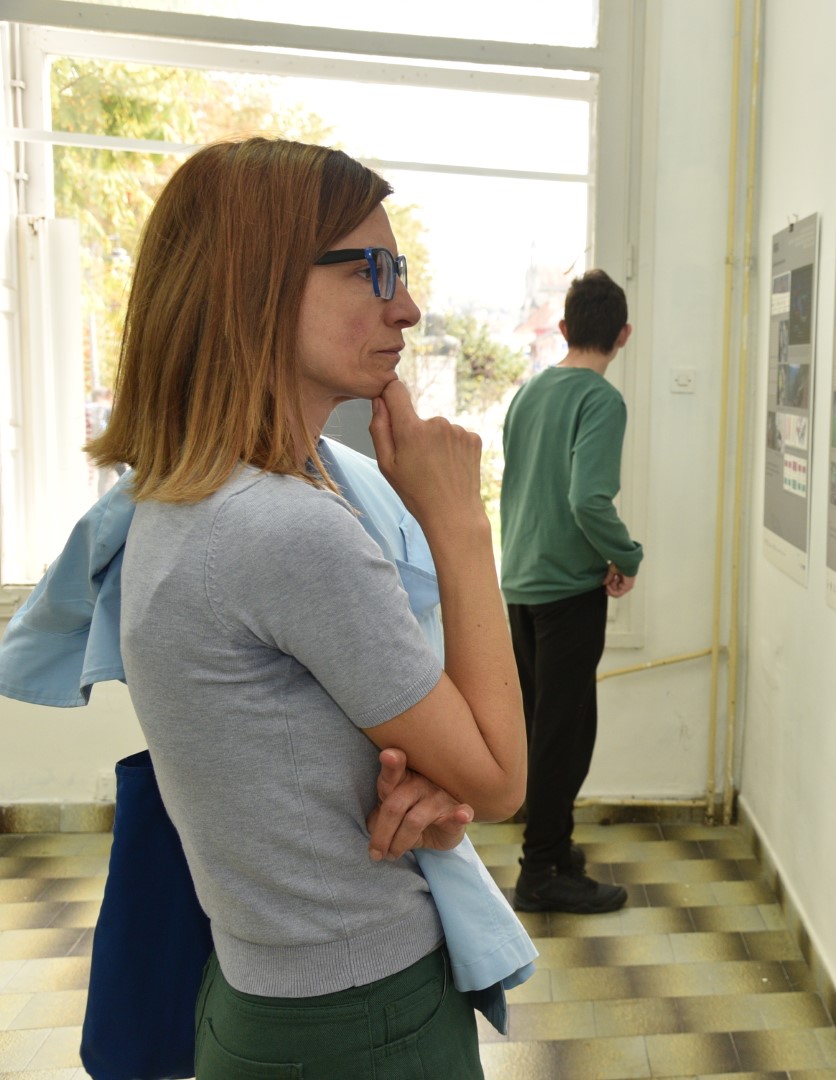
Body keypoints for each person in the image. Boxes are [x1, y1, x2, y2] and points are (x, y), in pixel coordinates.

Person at [84, 137, 525, 1076]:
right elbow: (500, 780)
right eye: (371, 270)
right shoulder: (283, 528)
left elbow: (307, 760)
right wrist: (460, 525)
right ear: (257, 283)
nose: (407, 307)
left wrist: (435, 786)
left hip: (264, 997)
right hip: (362, 1021)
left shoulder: (184, 498)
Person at [501, 269, 644, 914]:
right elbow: (587, 499)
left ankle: (554, 849)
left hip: (521, 584)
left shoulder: (529, 393)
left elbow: (526, 489)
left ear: (563, 329)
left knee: (544, 727)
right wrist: (625, 555)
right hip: (566, 591)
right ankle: (540, 873)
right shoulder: (601, 400)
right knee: (566, 734)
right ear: (623, 335)